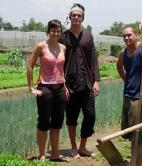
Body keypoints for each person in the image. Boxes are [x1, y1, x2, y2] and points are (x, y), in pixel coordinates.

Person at [59, 3, 100, 158]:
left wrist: (96, 81)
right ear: (70, 17)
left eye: (79, 15)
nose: (76, 17)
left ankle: (83, 146)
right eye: (74, 15)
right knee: (71, 117)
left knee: (90, 115)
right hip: (69, 84)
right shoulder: (63, 37)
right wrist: (62, 84)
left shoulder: (88, 36)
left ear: (82, 18)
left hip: (87, 82)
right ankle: (74, 147)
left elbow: (93, 59)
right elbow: (59, 60)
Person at [27, 19, 69, 162]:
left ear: (61, 32)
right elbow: (30, 65)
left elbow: (62, 69)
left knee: (57, 122)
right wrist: (31, 86)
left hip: (60, 88)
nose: (56, 33)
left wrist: (65, 86)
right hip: (45, 88)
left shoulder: (63, 47)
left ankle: (55, 153)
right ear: (48, 32)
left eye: (58, 30)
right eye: (53, 30)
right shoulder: (41, 46)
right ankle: (42, 154)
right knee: (44, 121)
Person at [116, 21, 142, 166]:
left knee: (137, 137)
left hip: (139, 99)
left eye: (129, 35)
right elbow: (119, 66)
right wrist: (126, 79)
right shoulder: (123, 53)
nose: (126, 38)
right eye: (124, 36)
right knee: (132, 137)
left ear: (136, 35)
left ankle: (134, 163)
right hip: (127, 97)